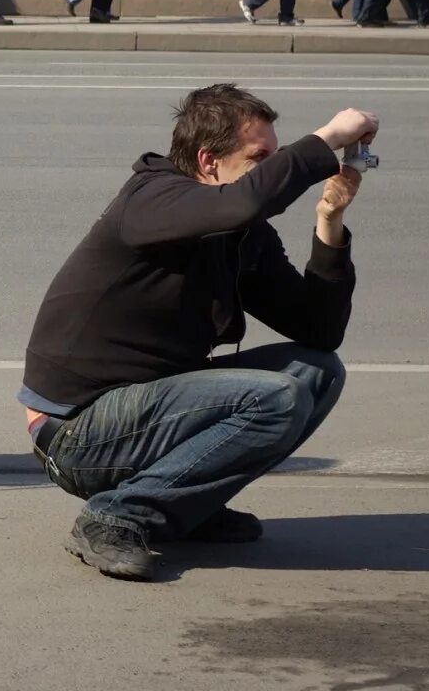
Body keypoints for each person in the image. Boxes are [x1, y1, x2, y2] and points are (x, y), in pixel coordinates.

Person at [23, 84, 374, 580]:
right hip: (76, 431)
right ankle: (116, 516)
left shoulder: (240, 232)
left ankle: (184, 507)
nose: (272, 168)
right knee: (273, 398)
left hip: (147, 409)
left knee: (318, 372)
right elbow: (243, 204)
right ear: (209, 162)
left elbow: (318, 329)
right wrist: (326, 138)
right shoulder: (152, 198)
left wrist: (329, 222)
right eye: (261, 157)